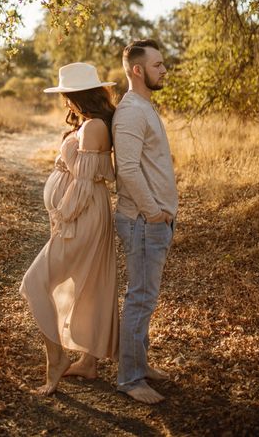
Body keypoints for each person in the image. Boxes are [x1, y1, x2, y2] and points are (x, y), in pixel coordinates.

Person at [20, 62, 119, 395]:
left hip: (83, 215)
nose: (64, 102)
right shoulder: (91, 124)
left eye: (66, 95)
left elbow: (85, 182)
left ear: (76, 95)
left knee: (35, 282)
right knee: (86, 282)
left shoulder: (92, 128)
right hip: (84, 213)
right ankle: (88, 363)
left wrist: (63, 216)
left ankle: (57, 360)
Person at [112, 39, 179, 404]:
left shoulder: (145, 107)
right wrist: (153, 212)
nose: (163, 70)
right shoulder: (132, 111)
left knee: (145, 298)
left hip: (152, 221)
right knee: (139, 299)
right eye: (157, 65)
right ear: (137, 70)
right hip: (142, 222)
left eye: (163, 64)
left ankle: (140, 362)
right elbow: (127, 169)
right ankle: (130, 379)